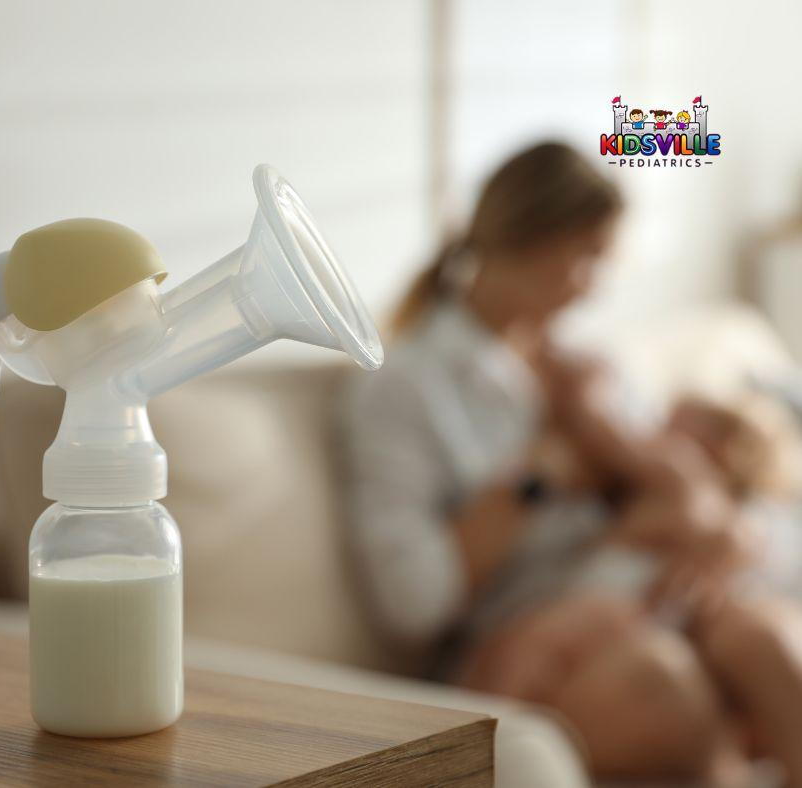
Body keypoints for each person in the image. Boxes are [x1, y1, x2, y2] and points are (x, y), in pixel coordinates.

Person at [339, 141, 802, 784]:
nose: (596, 286)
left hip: (637, 593)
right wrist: (541, 476)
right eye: (590, 257)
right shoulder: (407, 388)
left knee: (773, 644)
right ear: (537, 239)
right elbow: (412, 599)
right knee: (662, 687)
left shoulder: (586, 370)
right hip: (526, 634)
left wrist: (719, 541)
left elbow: (677, 481)